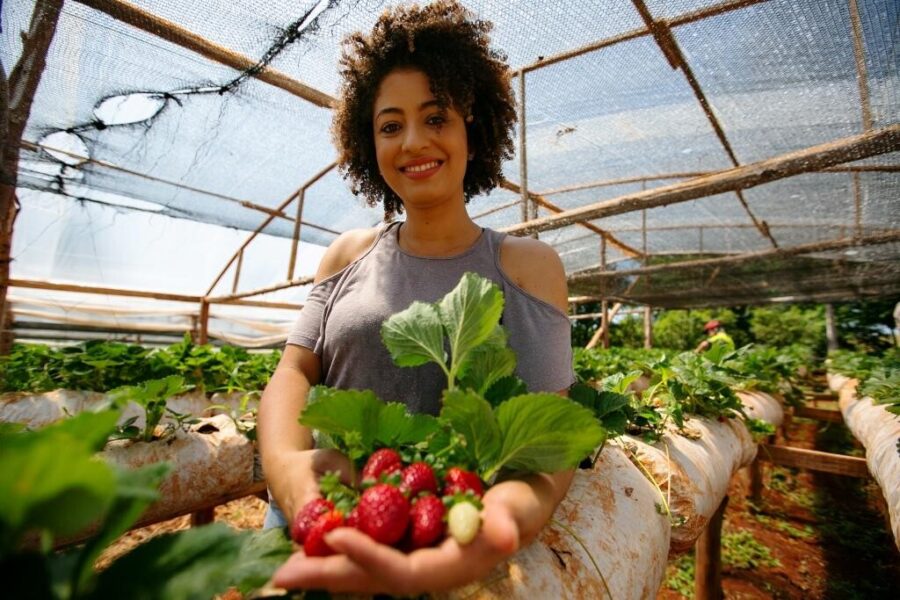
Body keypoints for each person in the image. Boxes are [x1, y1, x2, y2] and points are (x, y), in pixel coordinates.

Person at [257, 2, 576, 594]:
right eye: (390, 125)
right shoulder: (345, 253)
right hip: (315, 517)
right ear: (367, 141)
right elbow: (294, 370)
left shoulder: (528, 267)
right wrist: (289, 473)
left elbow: (548, 436)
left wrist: (507, 514)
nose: (413, 142)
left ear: (472, 130)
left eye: (436, 118)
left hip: (444, 535)